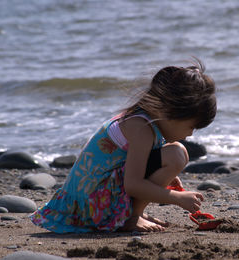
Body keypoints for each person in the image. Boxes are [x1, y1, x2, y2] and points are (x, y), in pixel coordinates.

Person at [30, 59, 217, 233]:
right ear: (169, 111)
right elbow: (133, 185)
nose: (190, 134)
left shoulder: (144, 120)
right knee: (176, 153)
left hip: (90, 199)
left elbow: (129, 163)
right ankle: (130, 217)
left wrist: (165, 176)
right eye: (191, 126)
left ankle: (132, 214)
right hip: (92, 205)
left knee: (175, 153)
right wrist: (175, 198)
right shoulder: (141, 128)